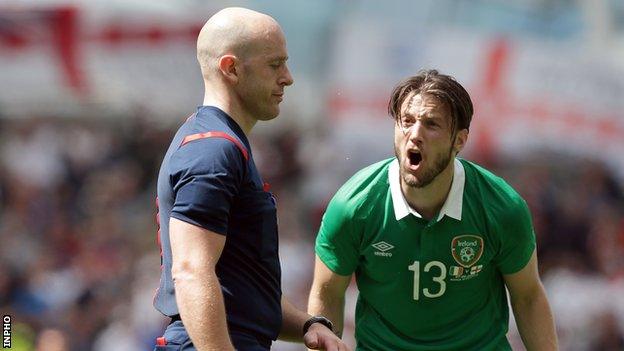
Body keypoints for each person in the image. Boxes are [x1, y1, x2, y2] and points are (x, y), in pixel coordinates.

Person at [307, 70, 558, 350]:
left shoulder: (502, 208)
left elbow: (528, 297)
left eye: (431, 124)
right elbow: (327, 292)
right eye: (407, 121)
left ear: (460, 141)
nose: (415, 135)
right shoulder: (353, 206)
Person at [153, 7, 348, 351]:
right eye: (275, 65)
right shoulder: (213, 151)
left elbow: (242, 296)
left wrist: (308, 324)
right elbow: (191, 272)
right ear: (231, 69)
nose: (288, 77)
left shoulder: (222, 143)